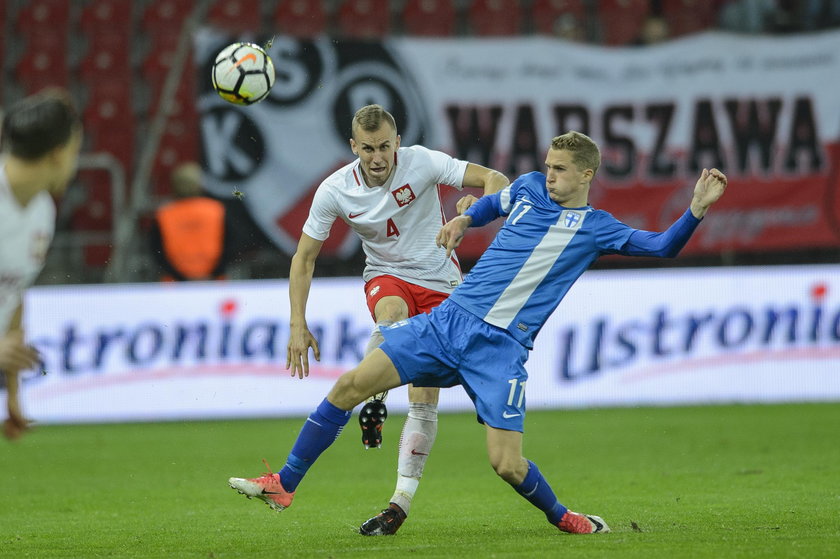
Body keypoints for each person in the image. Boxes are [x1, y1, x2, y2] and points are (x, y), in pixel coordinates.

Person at [229, 131, 728, 535]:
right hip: (450, 321)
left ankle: (566, 519)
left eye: (559, 169)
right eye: (548, 164)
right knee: (348, 386)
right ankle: (284, 484)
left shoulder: (597, 226)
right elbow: (496, 204)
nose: (548, 173)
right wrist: (466, 217)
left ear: (586, 175)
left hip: (500, 350)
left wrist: (696, 210)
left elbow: (662, 247)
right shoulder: (530, 187)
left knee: (506, 464)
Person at [284, 104, 509, 535]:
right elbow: (304, 257)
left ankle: (399, 503)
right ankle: (376, 398)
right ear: (354, 147)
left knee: (424, 398)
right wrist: (298, 323)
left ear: (397, 142)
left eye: (385, 146)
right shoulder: (334, 189)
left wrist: (475, 208)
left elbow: (497, 179)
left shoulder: (422, 161)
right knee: (390, 313)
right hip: (387, 277)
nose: (377, 157)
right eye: (367, 148)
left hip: (443, 283)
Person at [0, 89, 83, 440]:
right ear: (58, 154)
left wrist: (12, 393)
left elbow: (13, 292)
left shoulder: (41, 211)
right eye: (76, 151)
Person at [149, 162, 231, 281]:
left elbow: (157, 252)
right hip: (214, 282)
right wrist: (214, 273)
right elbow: (229, 246)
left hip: (175, 284)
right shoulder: (216, 210)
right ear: (199, 185)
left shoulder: (164, 214)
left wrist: (180, 277)